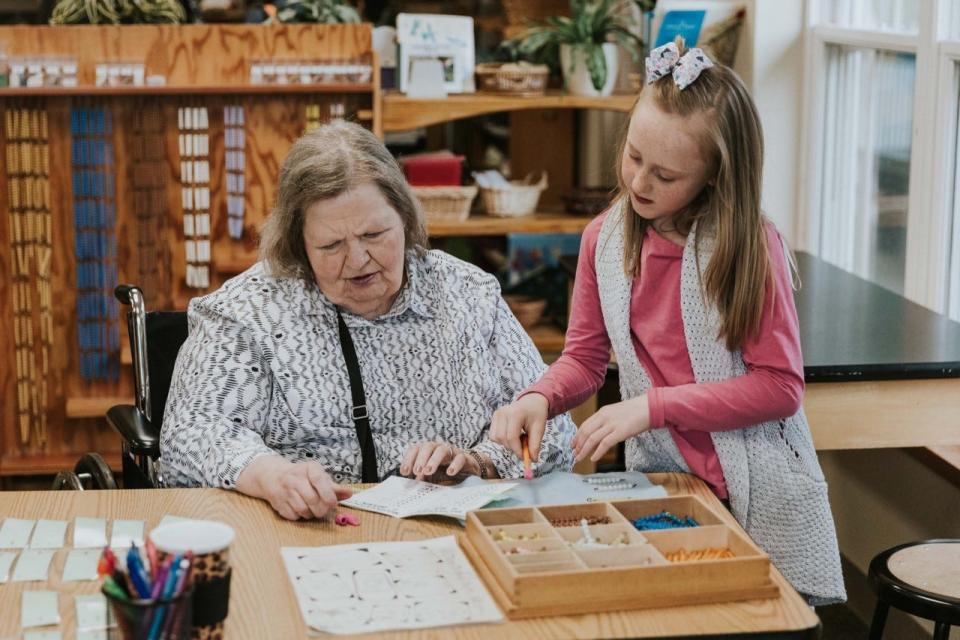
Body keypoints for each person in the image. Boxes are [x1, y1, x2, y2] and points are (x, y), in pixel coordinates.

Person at [490, 40, 845, 605]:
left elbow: (780, 386)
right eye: (633, 157)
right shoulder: (601, 242)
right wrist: (539, 397)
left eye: (666, 175)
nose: (639, 184)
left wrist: (653, 406)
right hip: (669, 485)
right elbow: (584, 360)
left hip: (760, 491)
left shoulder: (747, 245)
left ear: (714, 175)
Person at [160, 121, 576, 521]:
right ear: (298, 246)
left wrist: (478, 463)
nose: (357, 260)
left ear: (406, 219)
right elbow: (188, 436)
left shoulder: (467, 294)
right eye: (331, 245)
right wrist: (271, 476)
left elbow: (555, 433)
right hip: (308, 536)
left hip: (453, 538)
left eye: (375, 235)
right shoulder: (248, 311)